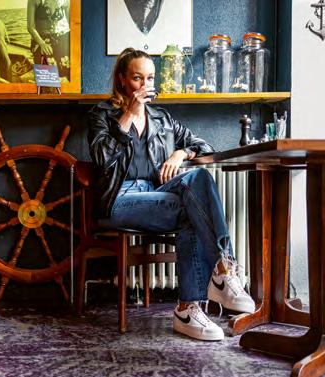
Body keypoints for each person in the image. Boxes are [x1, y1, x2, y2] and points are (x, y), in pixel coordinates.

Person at [86, 48, 256, 342]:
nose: (145, 85)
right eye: (137, 78)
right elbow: (101, 158)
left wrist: (181, 153)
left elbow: (204, 146)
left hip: (155, 194)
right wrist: (129, 115)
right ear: (122, 79)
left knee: (198, 179)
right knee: (193, 210)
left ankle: (198, 299)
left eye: (150, 78)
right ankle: (212, 283)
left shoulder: (162, 119)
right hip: (119, 199)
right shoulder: (102, 114)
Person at [27, 0, 70, 81]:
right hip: (42, 41)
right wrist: (42, 43)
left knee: (71, 72)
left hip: (63, 38)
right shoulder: (34, 1)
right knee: (48, 80)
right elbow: (30, 27)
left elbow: (72, 22)